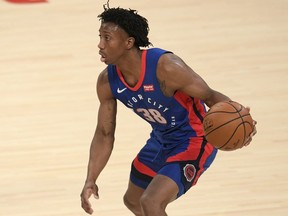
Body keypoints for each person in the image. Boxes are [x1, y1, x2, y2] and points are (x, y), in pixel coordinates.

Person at [80, 6, 257, 216]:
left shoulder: (166, 67)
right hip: (161, 140)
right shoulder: (107, 81)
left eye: (107, 38)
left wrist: (242, 121)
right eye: (100, 37)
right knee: (133, 200)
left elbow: (210, 96)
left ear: (129, 42)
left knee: (151, 202)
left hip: (195, 139)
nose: (100, 45)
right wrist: (91, 178)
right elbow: (104, 133)